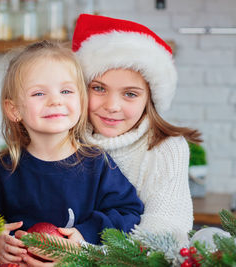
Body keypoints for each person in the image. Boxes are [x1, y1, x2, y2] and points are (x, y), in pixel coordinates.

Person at [0, 40, 144, 266]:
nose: (55, 100)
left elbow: (129, 211)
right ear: (14, 109)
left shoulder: (96, 164)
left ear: (81, 101)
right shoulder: (8, 168)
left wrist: (85, 235)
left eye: (65, 90)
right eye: (39, 93)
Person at [70, 14, 202, 247]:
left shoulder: (167, 149)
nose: (112, 106)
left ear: (150, 99)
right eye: (99, 88)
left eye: (130, 93)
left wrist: (78, 253)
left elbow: (163, 239)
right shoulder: (61, 141)